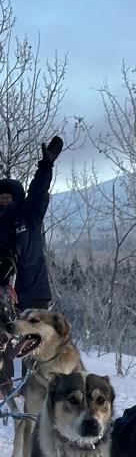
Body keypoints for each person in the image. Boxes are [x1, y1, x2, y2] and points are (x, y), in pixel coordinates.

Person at [0, 135, 63, 390]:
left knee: (37, 342)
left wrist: (45, 166)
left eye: (8, 196)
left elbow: (39, 190)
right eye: (0, 196)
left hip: (33, 290)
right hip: (5, 294)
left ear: (17, 197)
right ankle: (4, 387)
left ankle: (39, 386)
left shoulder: (31, 214)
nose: (4, 199)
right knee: (2, 340)